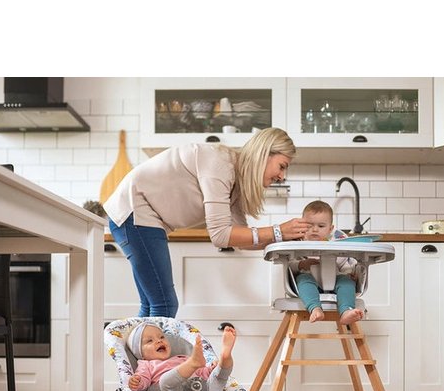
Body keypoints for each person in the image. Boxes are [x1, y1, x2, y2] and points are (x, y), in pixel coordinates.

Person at [104, 127, 311, 317]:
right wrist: (278, 231)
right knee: (164, 304)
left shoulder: (235, 180)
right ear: (264, 154)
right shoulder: (220, 164)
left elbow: (240, 240)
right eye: (282, 166)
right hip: (134, 211)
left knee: (153, 305)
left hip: (138, 216)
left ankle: (136, 348)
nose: (282, 176)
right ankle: (145, 349)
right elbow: (220, 236)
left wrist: (285, 239)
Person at [127, 322, 241, 391]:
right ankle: (198, 364)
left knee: (219, 377)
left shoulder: (183, 358)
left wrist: (212, 369)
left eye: (161, 337)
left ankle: (225, 356)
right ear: (140, 353)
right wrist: (137, 382)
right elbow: (143, 379)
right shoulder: (146, 364)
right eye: (150, 341)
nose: (159, 340)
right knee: (165, 381)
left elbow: (202, 373)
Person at [289, 200, 365, 326]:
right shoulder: (297, 243)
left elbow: (346, 263)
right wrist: (301, 264)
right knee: (303, 280)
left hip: (335, 281)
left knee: (346, 282)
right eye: (309, 225)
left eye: (321, 226)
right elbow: (289, 265)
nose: (314, 229)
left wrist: (351, 273)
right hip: (310, 281)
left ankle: (346, 310)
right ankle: (315, 308)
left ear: (330, 229)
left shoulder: (338, 244)